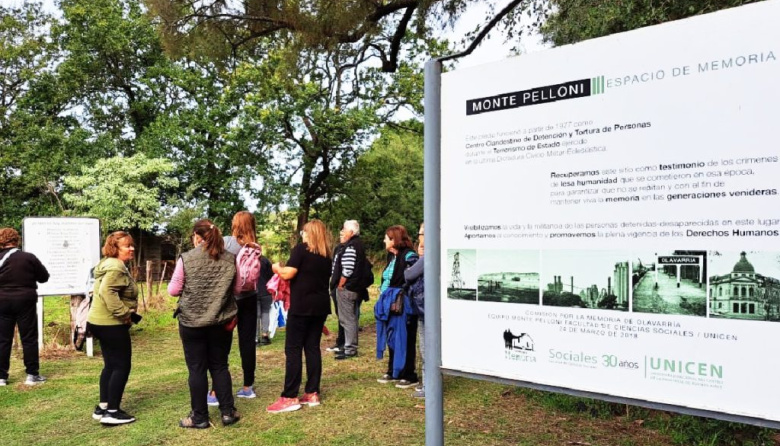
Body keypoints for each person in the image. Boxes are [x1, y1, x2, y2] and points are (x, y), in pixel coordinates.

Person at [168, 220, 240, 428]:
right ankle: (227, 412)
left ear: (197, 237)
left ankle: (199, 417)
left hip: (192, 322)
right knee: (219, 365)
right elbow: (237, 288)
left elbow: (173, 290)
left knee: (197, 369)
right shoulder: (230, 259)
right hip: (220, 321)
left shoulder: (187, 258)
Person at [266, 219, 332, 413]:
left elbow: (287, 274)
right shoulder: (327, 254)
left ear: (309, 234)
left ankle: (289, 396)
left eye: (304, 232)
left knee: (293, 349)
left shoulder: (301, 250)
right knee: (312, 348)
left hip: (301, 306)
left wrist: (276, 268)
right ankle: (312, 392)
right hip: (320, 306)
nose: (302, 234)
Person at [87, 231, 138, 425]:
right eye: (127, 246)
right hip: (111, 324)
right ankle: (112, 412)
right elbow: (106, 292)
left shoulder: (107, 263)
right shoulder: (116, 267)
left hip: (98, 321)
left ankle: (103, 406)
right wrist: (125, 314)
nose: (132, 248)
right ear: (115, 249)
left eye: (132, 245)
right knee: (121, 365)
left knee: (110, 365)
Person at [216, 211, 261, 401]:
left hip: (230, 298)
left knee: (222, 342)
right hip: (250, 297)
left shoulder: (227, 242)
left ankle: (216, 389)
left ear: (235, 224)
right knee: (247, 342)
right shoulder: (255, 245)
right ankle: (247, 386)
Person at [0, 228, 50, 388]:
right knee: (28, 338)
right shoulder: (28, 257)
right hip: (25, 301)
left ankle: (1, 377)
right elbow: (44, 277)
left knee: (3, 339)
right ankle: (32, 375)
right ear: (17, 240)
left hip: (2, 301)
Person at [375, 225, 419, 389]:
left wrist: (399, 294)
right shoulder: (392, 257)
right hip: (389, 304)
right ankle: (394, 370)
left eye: (386, 237)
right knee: (392, 336)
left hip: (404, 305)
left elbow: (412, 280)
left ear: (394, 239)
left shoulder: (409, 256)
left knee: (406, 337)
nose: (384, 240)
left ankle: (409, 374)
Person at [330, 220, 368, 360]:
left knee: (348, 319)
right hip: (351, 287)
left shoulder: (351, 246)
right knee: (348, 318)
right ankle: (347, 347)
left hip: (347, 288)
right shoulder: (356, 244)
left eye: (344, 229)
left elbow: (347, 269)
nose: (343, 231)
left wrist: (340, 285)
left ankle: (350, 349)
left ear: (351, 232)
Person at [404, 223, 425, 398]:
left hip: (426, 308)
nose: (419, 239)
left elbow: (409, 275)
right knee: (424, 348)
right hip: (422, 307)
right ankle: (427, 384)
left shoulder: (429, 255)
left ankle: (429, 386)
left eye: (421, 234)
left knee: (427, 349)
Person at [256, 254, 273, 345]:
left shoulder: (246, 260)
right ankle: (265, 335)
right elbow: (271, 276)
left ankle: (255, 338)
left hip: (253, 292)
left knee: (255, 315)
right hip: (266, 291)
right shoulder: (265, 260)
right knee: (265, 313)